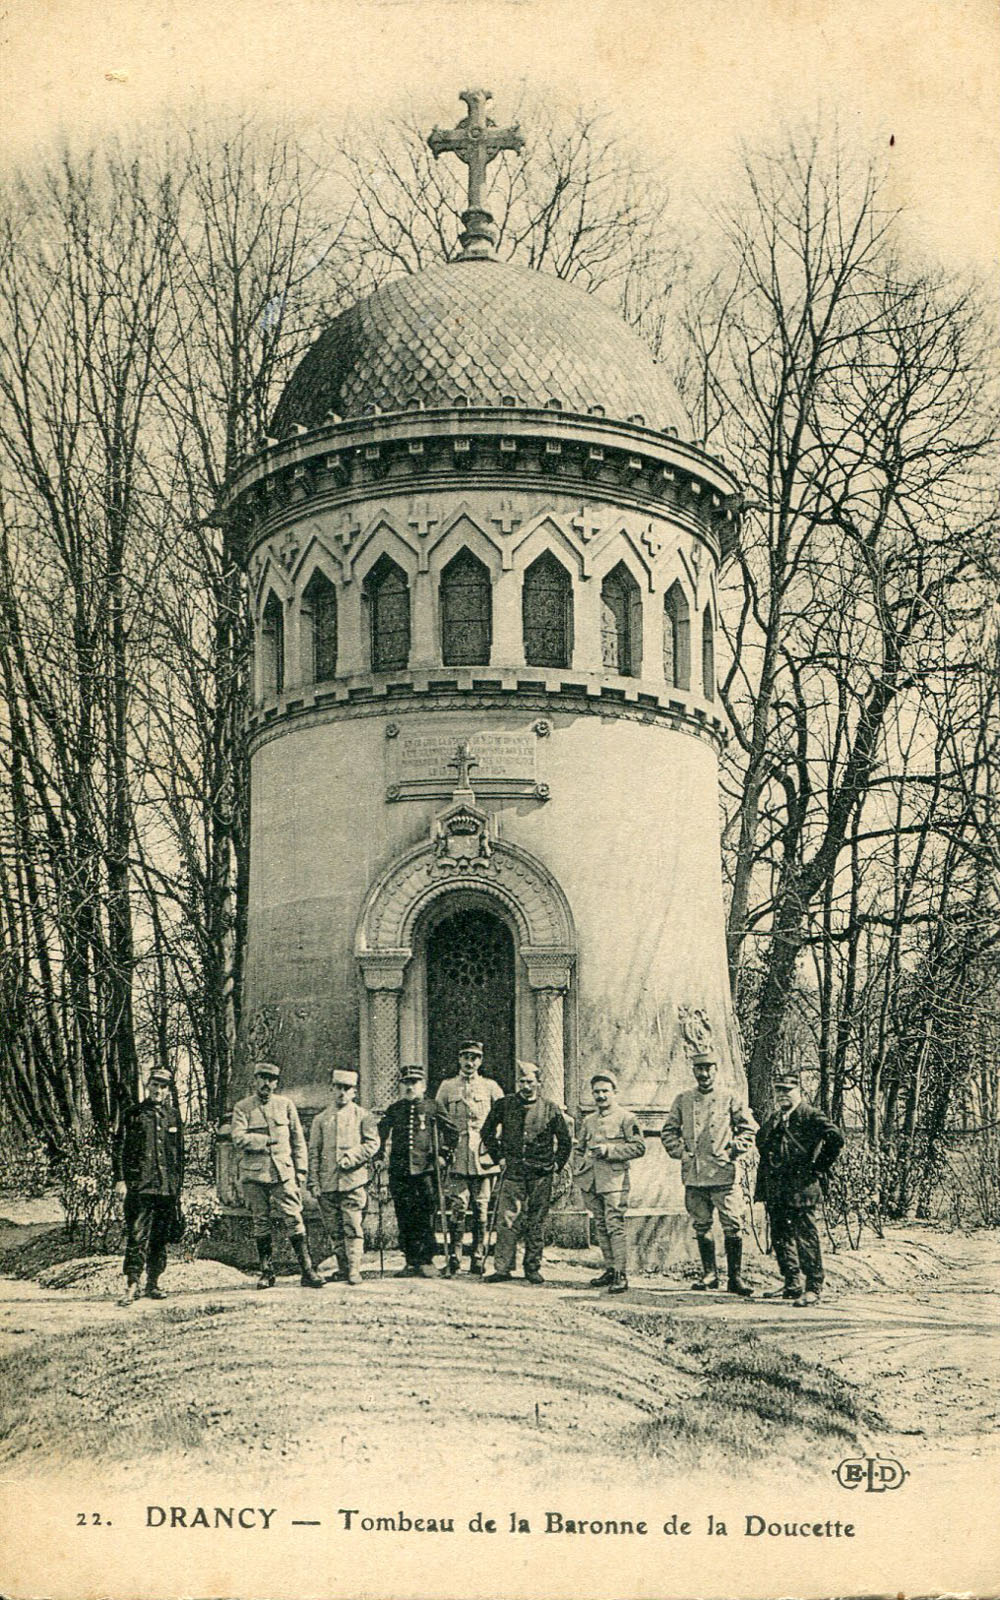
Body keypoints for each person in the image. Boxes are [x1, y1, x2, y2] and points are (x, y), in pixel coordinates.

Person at [661, 1051, 757, 1296]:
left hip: (723, 1174)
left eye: (708, 1068)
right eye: (699, 1069)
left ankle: (735, 1278)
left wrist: (733, 1150)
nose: (703, 1074)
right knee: (701, 1225)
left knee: (732, 1225)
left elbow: (748, 1129)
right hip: (695, 1175)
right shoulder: (683, 1099)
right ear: (693, 1071)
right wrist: (681, 1153)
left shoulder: (729, 1097)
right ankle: (710, 1275)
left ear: (716, 1069)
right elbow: (669, 1131)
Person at [755, 1066, 845, 1306]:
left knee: (806, 1237)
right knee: (780, 1236)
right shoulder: (776, 1118)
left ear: (799, 1091)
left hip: (801, 1187)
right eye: (778, 1090)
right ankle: (792, 1283)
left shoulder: (809, 1115)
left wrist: (818, 1167)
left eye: (787, 1090)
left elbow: (836, 1137)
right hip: (777, 1189)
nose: (782, 1095)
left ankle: (813, 1287)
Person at [231, 1060, 323, 1290]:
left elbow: (298, 1140)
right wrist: (264, 1140)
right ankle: (267, 1272)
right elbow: (238, 1138)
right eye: (262, 1078)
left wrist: (301, 1170)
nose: (266, 1083)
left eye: (271, 1079)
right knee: (260, 1222)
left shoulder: (285, 1105)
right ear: (255, 1080)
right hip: (254, 1174)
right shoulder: (243, 1107)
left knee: (294, 1218)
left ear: (276, 1083)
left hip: (283, 1172)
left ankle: (307, 1270)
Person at [480, 1060, 573, 1285]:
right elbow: (487, 1131)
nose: (526, 1086)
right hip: (513, 1172)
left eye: (530, 1082)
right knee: (507, 1220)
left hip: (540, 1174)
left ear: (539, 1083)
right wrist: (499, 1157)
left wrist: (556, 1165)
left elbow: (565, 1141)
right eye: (522, 1081)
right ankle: (503, 1268)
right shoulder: (504, 1105)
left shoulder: (550, 1109)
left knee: (536, 1221)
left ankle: (532, 1267)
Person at [377, 1064, 458, 1278]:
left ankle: (426, 1260)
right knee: (404, 1215)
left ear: (423, 1085)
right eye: (406, 1083)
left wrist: (443, 1155)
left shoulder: (433, 1106)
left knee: (426, 1215)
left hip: (426, 1171)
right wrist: (379, 1155)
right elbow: (380, 1133)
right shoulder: (395, 1109)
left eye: (414, 1082)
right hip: (400, 1172)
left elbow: (452, 1132)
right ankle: (410, 1261)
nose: (410, 1087)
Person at [113, 1066, 185, 1305]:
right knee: (137, 1235)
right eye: (155, 1085)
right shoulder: (133, 1114)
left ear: (168, 1090)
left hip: (166, 1188)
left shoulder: (173, 1116)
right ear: (148, 1085)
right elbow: (120, 1149)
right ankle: (132, 1284)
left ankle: (153, 1282)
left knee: (160, 1237)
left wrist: (177, 1188)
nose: (158, 1090)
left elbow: (179, 1154)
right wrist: (121, 1180)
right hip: (140, 1186)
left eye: (163, 1086)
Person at [573, 1070, 645, 1294]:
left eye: (605, 1091)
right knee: (600, 1225)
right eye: (596, 1092)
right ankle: (610, 1268)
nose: (601, 1096)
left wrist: (609, 1150)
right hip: (591, 1181)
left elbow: (639, 1147)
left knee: (615, 1225)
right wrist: (579, 1168)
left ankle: (621, 1274)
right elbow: (579, 1148)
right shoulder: (589, 1120)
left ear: (615, 1092)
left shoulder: (627, 1118)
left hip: (614, 1181)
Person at [435, 1039, 503, 1275]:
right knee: (458, 1206)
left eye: (474, 1058)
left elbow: (503, 1118)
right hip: (457, 1155)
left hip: (483, 1157)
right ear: (459, 1059)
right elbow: (439, 1120)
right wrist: (443, 1151)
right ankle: (454, 1258)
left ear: (480, 1061)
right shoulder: (447, 1087)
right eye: (465, 1057)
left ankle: (478, 1258)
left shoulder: (491, 1087)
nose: (469, 1062)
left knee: (482, 1208)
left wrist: (495, 1147)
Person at [307, 1066, 380, 1285]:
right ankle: (343, 1267)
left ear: (354, 1092)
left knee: (353, 1227)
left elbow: (372, 1143)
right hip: (328, 1183)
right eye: (338, 1087)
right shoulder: (321, 1119)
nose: (342, 1092)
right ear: (332, 1089)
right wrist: (313, 1182)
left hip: (353, 1182)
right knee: (334, 1230)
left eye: (347, 1088)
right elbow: (314, 1153)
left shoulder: (363, 1116)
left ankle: (354, 1270)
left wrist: (352, 1157)